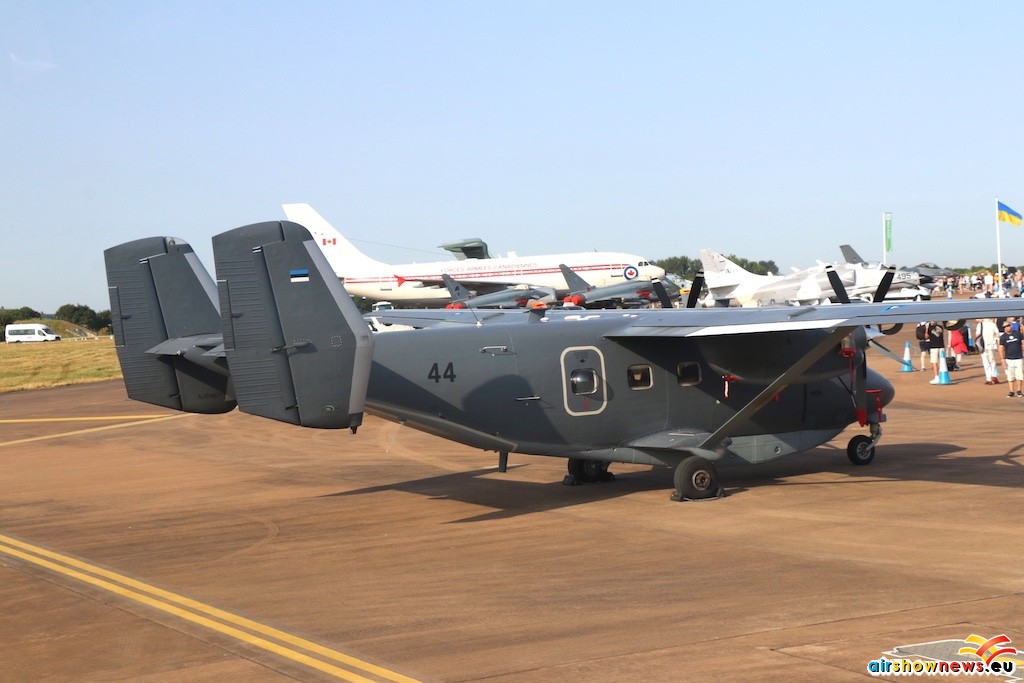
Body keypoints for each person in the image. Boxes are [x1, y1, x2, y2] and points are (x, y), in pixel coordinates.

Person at [998, 320, 1023, 398]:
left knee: (1019, 375)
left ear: (1011, 326)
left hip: (1018, 357)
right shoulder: (1003, 337)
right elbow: (1001, 348)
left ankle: (1019, 390)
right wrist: (1002, 359)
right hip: (1009, 358)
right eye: (1005, 327)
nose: (1007, 328)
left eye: (1008, 326)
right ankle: (1011, 391)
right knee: (1010, 376)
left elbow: (1023, 342)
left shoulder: (1018, 334)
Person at [976, 318, 1001, 385]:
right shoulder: (993, 324)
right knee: (992, 361)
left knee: (985, 362)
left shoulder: (980, 325)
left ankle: (988, 378)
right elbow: (997, 334)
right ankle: (994, 376)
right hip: (992, 345)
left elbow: (977, 335)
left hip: (983, 345)